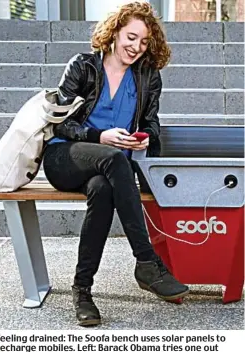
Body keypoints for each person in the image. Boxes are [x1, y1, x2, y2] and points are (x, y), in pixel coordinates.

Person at [43, 1, 189, 326]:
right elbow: (58, 123)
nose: (136, 47)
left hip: (109, 170)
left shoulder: (148, 77)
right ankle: (147, 261)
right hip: (65, 156)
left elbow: (152, 123)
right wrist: (99, 137)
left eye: (143, 42)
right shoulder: (83, 66)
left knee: (102, 189)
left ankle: (82, 291)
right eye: (131, 37)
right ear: (114, 31)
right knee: (111, 158)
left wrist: (147, 137)